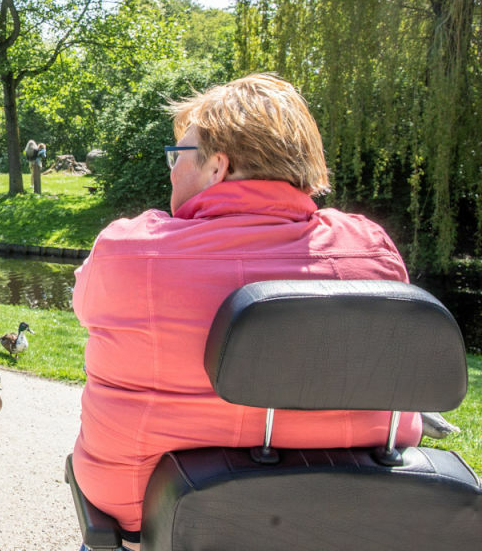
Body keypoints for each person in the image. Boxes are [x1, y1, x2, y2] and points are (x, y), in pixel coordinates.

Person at [71, 73, 422, 545]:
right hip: (346, 507)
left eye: (178, 155)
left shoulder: (129, 249)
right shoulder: (369, 249)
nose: (170, 169)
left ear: (218, 167)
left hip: (157, 507)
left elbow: (84, 308)